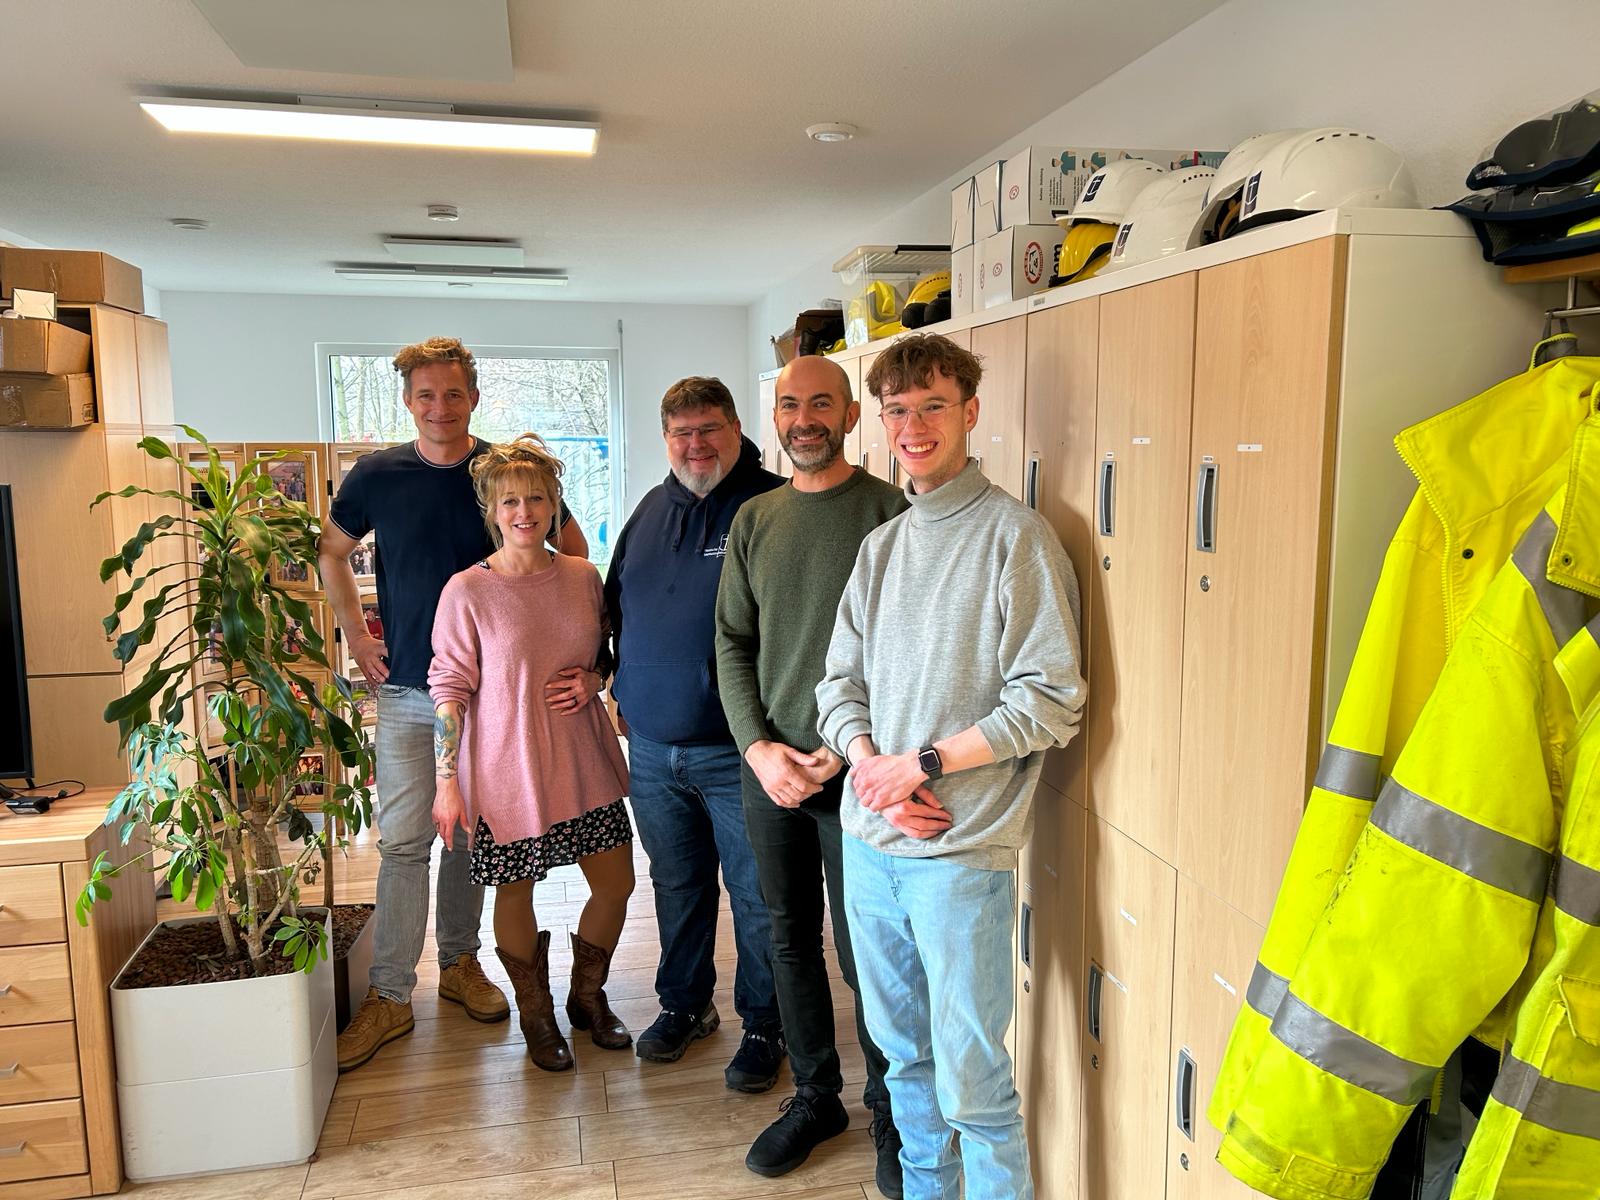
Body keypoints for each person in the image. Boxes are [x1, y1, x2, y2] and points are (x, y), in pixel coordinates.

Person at [816, 333, 1086, 1199]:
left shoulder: (1019, 538)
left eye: (933, 406)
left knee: (975, 1085)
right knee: (903, 1065)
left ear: (971, 412)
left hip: (959, 853)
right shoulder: (883, 548)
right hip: (872, 843)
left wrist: (921, 764)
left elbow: (1050, 699)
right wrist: (871, 769)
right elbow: (837, 685)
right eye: (898, 410)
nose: (914, 425)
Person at [319, 336, 588, 1072]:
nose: (441, 407)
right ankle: (390, 996)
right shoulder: (376, 475)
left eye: (454, 393)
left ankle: (462, 964)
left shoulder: (503, 472)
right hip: (408, 691)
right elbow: (331, 553)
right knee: (405, 842)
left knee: (471, 841)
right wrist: (356, 635)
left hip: (496, 704)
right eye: (426, 394)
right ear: (408, 401)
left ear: (474, 396)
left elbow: (574, 555)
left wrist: (580, 664)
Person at [715, 355, 909, 1193]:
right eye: (788, 404)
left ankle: (896, 1118)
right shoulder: (756, 519)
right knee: (785, 935)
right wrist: (760, 750)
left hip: (859, 770)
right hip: (773, 773)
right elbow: (732, 643)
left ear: (851, 414)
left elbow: (908, 653)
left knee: (873, 952)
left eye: (819, 403)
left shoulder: (890, 512)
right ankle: (817, 1095)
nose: (802, 418)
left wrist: (847, 747)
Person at [603, 376, 787, 1091]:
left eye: (708, 428)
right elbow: (617, 602)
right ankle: (684, 1007)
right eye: (681, 433)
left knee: (755, 893)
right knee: (677, 885)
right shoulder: (652, 509)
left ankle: (765, 1023)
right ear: (665, 439)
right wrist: (608, 674)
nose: (695, 445)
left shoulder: (770, 504)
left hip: (739, 749)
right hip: (651, 749)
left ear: (736, 427)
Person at [428, 435, 633, 1072]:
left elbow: (605, 650)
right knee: (514, 893)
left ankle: (587, 996)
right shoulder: (467, 590)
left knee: (617, 883)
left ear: (555, 504)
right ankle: (538, 1016)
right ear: (491, 507)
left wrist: (597, 679)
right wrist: (446, 781)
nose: (525, 510)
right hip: (505, 769)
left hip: (581, 758)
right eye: (511, 499)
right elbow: (449, 689)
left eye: (538, 497)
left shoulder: (581, 577)